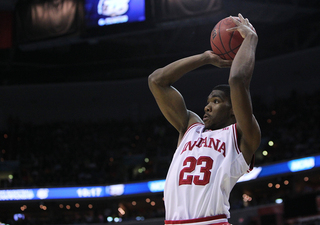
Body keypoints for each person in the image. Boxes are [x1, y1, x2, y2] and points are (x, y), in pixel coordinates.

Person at [148, 13, 261, 225]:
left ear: (233, 110)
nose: (207, 106)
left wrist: (251, 38)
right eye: (208, 101)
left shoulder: (241, 135)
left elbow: (237, 80)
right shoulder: (190, 127)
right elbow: (156, 81)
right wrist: (206, 58)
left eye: (216, 101)